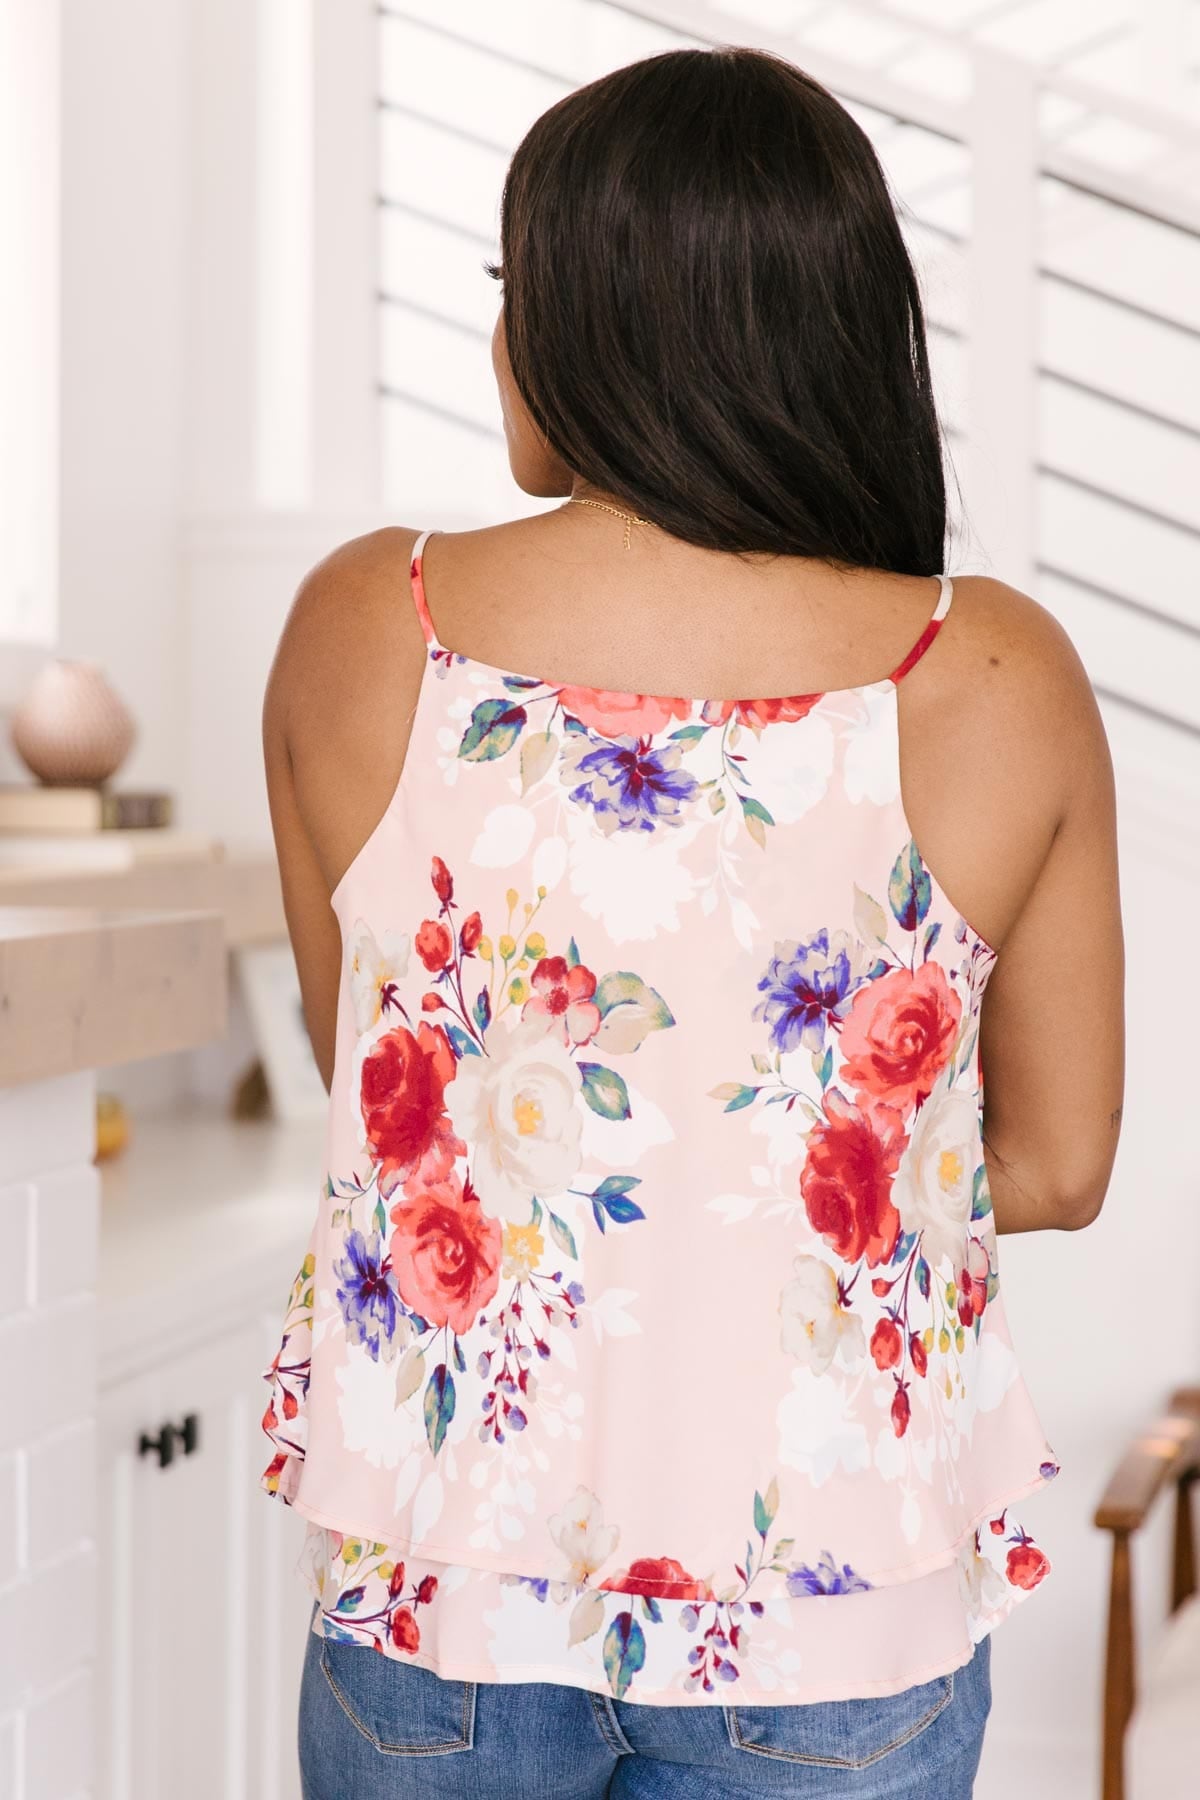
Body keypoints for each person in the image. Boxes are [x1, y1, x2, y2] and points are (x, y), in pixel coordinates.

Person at [260, 45, 1124, 1800]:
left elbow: (368, 1069)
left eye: (514, 286)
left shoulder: (370, 624)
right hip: (835, 1623)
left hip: (445, 1596)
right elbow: (1055, 1166)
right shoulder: (989, 671)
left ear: (588, 318)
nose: (499, 337)